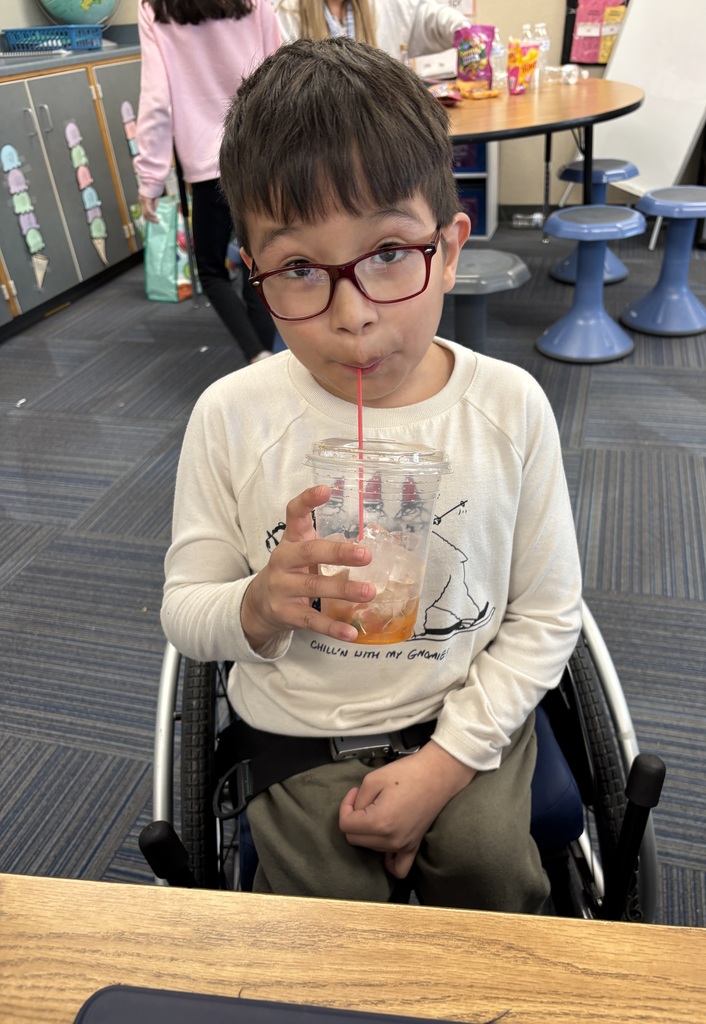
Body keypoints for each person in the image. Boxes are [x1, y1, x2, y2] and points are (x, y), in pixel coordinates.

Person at [162, 37, 582, 911]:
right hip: (299, 729)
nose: (352, 316)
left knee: (494, 874)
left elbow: (546, 615)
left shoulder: (509, 409)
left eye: (390, 252)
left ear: (450, 249)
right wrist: (255, 604)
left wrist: (445, 763)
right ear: (253, 276)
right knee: (323, 917)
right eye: (300, 269)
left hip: (464, 713)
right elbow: (185, 611)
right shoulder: (231, 417)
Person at [135, 0, 282, 364]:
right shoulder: (254, 3)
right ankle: (264, 355)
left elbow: (156, 101)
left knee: (212, 271)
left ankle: (257, 354)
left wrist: (150, 178)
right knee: (259, 261)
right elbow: (281, 74)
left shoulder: (155, 8)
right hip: (259, 154)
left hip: (206, 165)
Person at [271, 0, 469, 60]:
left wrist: (468, 35)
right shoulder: (287, 13)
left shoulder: (384, 6)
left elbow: (433, 18)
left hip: (377, 127)